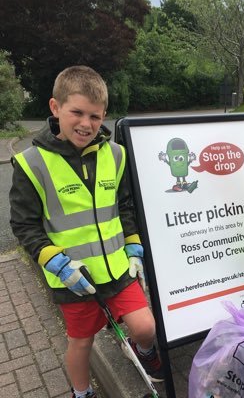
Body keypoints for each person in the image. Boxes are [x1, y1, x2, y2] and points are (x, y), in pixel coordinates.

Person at [9, 65, 164, 398]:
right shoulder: (30, 163)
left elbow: (124, 209)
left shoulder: (117, 155)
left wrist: (134, 248)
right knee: (81, 341)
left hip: (117, 268)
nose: (86, 124)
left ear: (104, 114)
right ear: (55, 108)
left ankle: (143, 350)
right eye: (76, 112)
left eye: (95, 116)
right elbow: (23, 224)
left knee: (145, 327)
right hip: (72, 278)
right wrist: (56, 263)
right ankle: (82, 392)